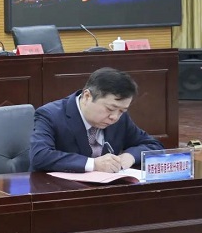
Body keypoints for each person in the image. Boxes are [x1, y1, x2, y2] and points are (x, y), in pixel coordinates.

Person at [29, 67, 163, 173]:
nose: (115, 117)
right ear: (87, 96)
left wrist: (130, 156)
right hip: (58, 191)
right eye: (110, 109)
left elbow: (153, 145)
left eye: (122, 111)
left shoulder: (120, 118)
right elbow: (40, 156)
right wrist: (94, 164)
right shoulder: (50, 115)